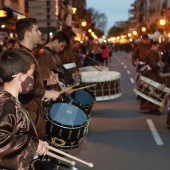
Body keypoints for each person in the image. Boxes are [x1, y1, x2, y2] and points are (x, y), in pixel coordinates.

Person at [0, 48, 49, 169]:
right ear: (21, 77)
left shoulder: (11, 101)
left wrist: (36, 144)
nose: (32, 79)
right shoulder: (8, 105)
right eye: (31, 75)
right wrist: (32, 145)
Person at [15, 17, 60, 140]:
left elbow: (32, 85)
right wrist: (46, 92)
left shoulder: (29, 53)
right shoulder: (21, 56)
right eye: (37, 30)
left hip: (34, 112)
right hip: (28, 115)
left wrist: (46, 83)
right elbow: (23, 88)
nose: (40, 33)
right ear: (28, 34)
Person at [140, 41, 165, 115]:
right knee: (154, 90)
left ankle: (153, 107)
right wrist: (159, 66)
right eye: (157, 47)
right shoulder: (151, 53)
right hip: (152, 74)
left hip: (152, 73)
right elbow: (153, 64)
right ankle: (153, 108)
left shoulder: (152, 52)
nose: (158, 48)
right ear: (153, 45)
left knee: (153, 90)